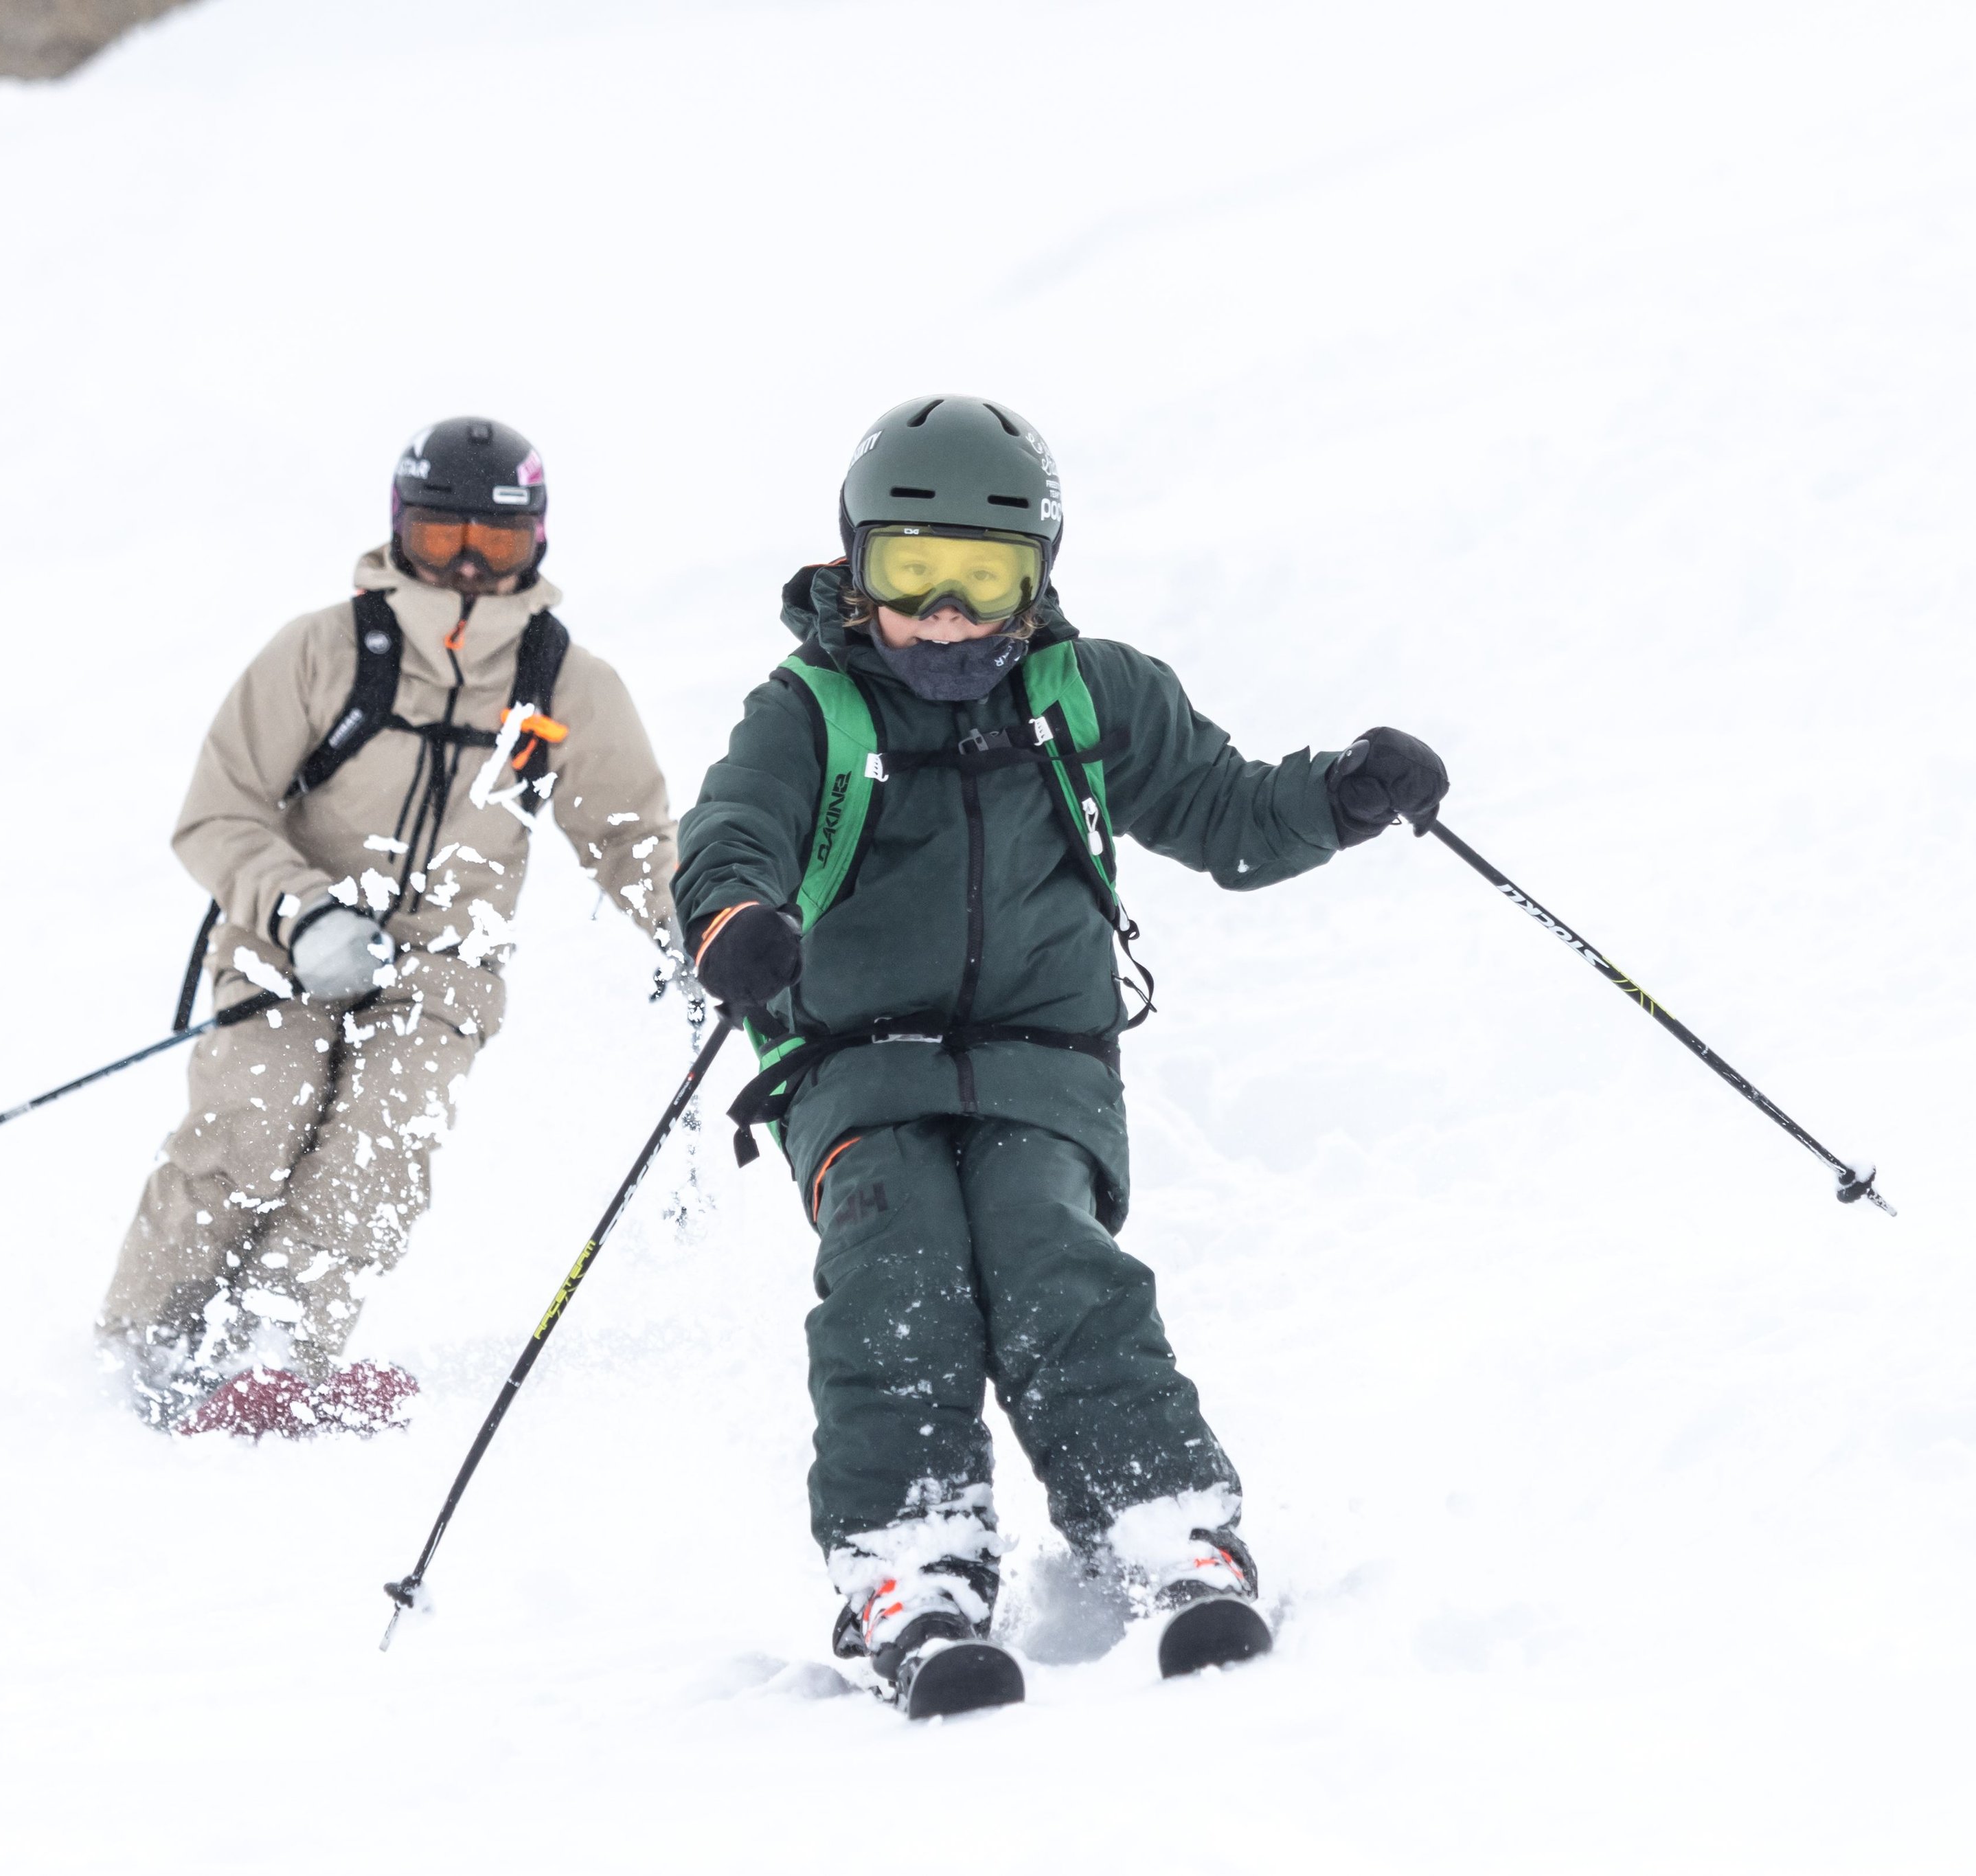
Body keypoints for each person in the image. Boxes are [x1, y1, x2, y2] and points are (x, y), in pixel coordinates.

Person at [673, 396, 1449, 1710]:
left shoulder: (1090, 697)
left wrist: (1338, 795)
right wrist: (738, 920)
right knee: (896, 1257)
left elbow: (1226, 810)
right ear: (855, 568)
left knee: (1052, 1255)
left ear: (1039, 579)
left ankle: (1162, 1524)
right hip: (856, 1062)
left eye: (985, 581)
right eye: (912, 576)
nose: (947, 617)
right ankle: (909, 1561)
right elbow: (733, 829)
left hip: (1045, 1058)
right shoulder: (810, 711)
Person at [100, 417, 679, 1436]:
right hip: (291, 945)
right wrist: (300, 908)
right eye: (440, 538)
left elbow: (633, 837)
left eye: (493, 546)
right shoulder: (323, 652)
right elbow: (217, 811)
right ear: (398, 531)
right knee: (253, 1127)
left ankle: (275, 1349)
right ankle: (145, 1346)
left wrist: (707, 928)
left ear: (535, 544)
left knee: (376, 1154)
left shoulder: (565, 685)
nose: (466, 566)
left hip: (443, 968)